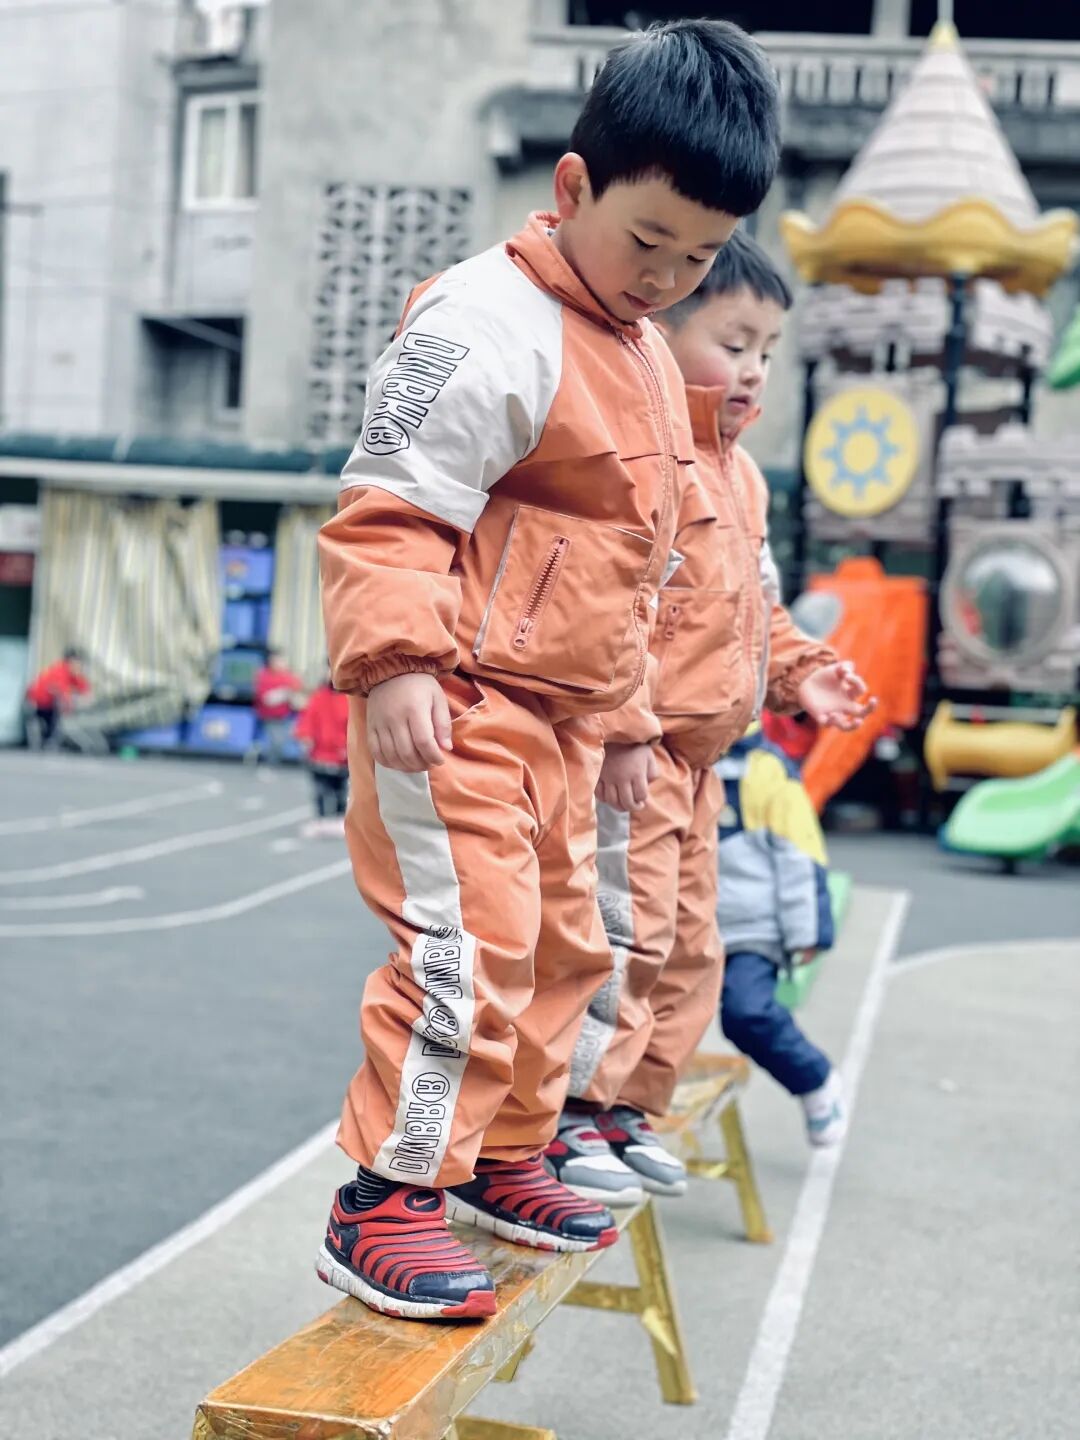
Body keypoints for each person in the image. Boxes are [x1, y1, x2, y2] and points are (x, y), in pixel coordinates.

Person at [315, 20, 782, 1321]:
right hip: (457, 705)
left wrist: (624, 718)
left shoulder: (639, 351)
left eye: (697, 260)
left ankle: (504, 1155)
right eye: (648, 244)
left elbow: (627, 574)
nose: (666, 281)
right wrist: (396, 661)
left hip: (565, 726)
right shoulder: (486, 318)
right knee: (468, 950)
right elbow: (392, 503)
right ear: (573, 187)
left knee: (568, 945)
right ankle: (385, 1197)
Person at [547, 232, 871, 1204]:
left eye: (768, 350)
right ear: (660, 329)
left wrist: (802, 672)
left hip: (700, 766)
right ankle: (568, 1114)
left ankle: (630, 1105)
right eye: (733, 343)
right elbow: (609, 607)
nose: (754, 369)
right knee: (621, 929)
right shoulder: (648, 459)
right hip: (634, 755)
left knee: (691, 946)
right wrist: (627, 725)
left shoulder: (744, 479)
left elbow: (756, 610)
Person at [715, 724, 845, 1145]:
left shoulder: (764, 769)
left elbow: (799, 852)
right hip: (686, 922)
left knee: (746, 1012)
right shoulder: (672, 753)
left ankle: (814, 1078)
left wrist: (806, 930)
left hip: (751, 924)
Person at [294, 675, 350, 832]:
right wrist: (305, 737)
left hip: (342, 755)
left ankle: (339, 817)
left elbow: (353, 724)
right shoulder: (318, 697)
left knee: (341, 789)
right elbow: (307, 720)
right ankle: (321, 818)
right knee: (320, 789)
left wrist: (349, 747)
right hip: (319, 754)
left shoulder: (350, 699)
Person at [24, 647, 91, 749]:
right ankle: (45, 741)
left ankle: (47, 740)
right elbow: (63, 692)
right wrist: (69, 706)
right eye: (77, 662)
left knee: (53, 720)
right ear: (69, 662)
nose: (79, 666)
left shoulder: (71, 673)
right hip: (36, 702)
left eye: (80, 663)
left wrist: (86, 694)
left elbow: (82, 685)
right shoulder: (60, 671)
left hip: (47, 704)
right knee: (49, 721)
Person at [251, 649, 304, 765]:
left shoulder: (289, 676)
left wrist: (290, 694)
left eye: (282, 661)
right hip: (269, 717)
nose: (280, 663)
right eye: (277, 661)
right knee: (276, 741)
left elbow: (297, 692)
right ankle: (270, 763)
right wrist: (284, 693)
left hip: (286, 716)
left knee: (289, 739)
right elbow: (267, 699)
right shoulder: (263, 675)